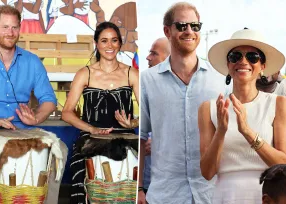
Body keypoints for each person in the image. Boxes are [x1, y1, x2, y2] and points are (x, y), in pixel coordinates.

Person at [139, 2, 228, 204]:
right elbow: (142, 138)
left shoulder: (220, 79)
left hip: (211, 194)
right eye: (181, 26)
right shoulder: (147, 80)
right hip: (165, 196)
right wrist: (139, 189)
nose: (189, 31)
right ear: (167, 31)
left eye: (195, 26)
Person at [0, 5, 67, 204]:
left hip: (22, 128)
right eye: (5, 27)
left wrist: (36, 117)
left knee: (59, 149)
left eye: (15, 27)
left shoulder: (32, 61)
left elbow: (49, 100)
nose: (10, 33)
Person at [199, 28, 286, 203]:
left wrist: (247, 131)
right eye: (235, 56)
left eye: (252, 57)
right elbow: (207, 172)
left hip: (267, 196)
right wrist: (221, 132)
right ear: (228, 65)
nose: (243, 61)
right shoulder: (209, 108)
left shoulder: (278, 104)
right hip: (225, 196)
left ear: (263, 66)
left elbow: (282, 164)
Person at [61, 21, 139, 203]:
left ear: (120, 43)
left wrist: (133, 123)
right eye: (104, 41)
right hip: (91, 138)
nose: (109, 46)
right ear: (97, 44)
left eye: (114, 41)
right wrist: (92, 129)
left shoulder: (131, 74)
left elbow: (147, 112)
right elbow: (67, 112)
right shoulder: (84, 73)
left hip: (125, 138)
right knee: (80, 168)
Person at [142, 37, 170, 194]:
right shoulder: (145, 85)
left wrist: (161, 143)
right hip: (148, 183)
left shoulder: (190, 91)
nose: (148, 57)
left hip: (172, 186)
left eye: (154, 53)